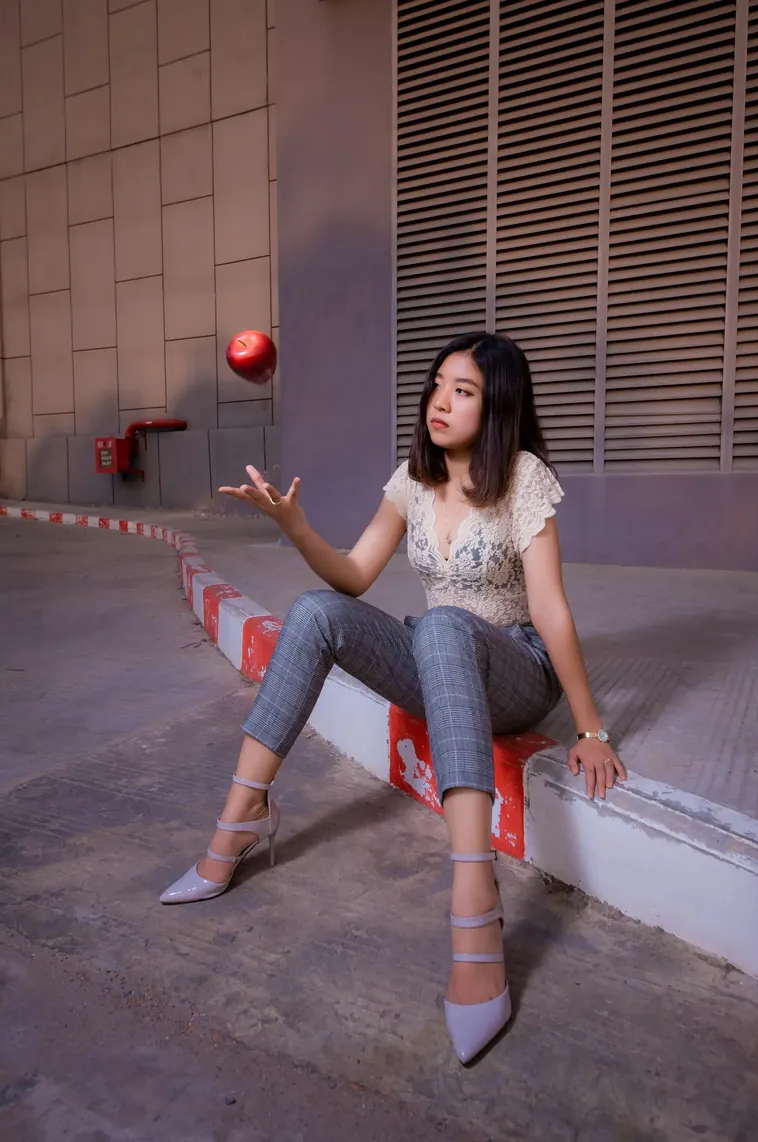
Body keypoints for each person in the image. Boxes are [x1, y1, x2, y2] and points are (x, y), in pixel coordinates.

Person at [160, 331, 626, 1064]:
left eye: (463, 391)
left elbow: (550, 608)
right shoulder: (412, 479)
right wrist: (296, 528)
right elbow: (352, 576)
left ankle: (475, 900)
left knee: (442, 624)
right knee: (316, 613)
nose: (441, 400)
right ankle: (242, 815)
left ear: (498, 405)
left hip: (514, 670)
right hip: (437, 658)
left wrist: (591, 730)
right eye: (438, 384)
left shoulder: (523, 476)